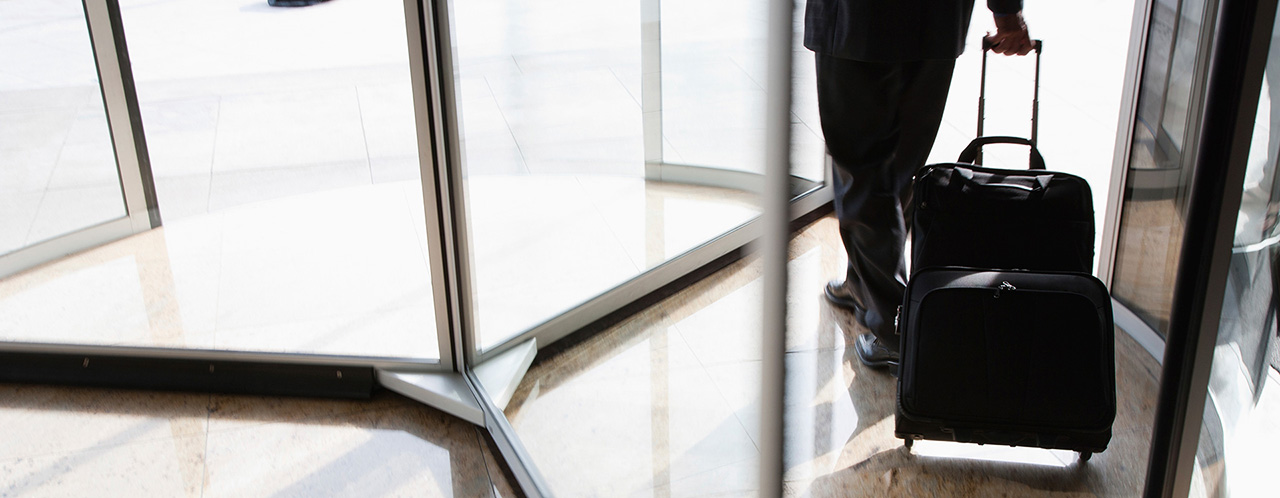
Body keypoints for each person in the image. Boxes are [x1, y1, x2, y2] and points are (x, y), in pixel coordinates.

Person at [804, 1, 1034, 369]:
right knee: (899, 165)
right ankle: (865, 285)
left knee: (862, 170)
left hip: (858, 18)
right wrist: (1006, 13)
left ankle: (893, 326)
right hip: (937, 21)